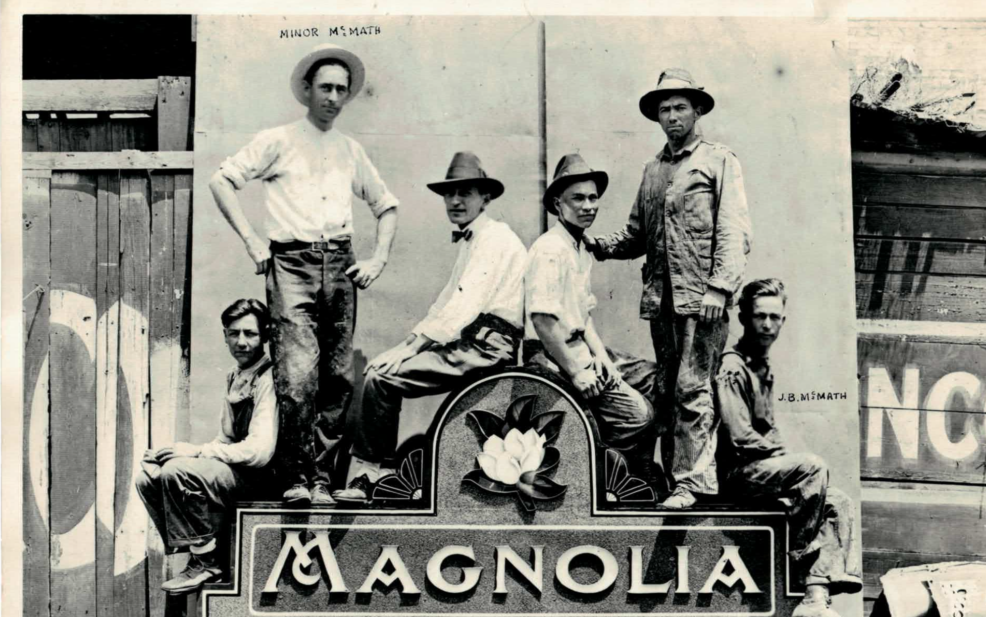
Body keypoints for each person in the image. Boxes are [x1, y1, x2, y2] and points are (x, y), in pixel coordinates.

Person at [209, 43, 399, 506]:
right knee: (296, 375)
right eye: (325, 88)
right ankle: (295, 478)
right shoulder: (278, 140)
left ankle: (323, 481)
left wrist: (377, 259)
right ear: (308, 90)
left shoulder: (350, 150)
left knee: (338, 377)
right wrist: (253, 242)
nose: (333, 97)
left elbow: (387, 205)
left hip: (340, 265)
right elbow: (222, 180)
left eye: (341, 90)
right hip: (291, 264)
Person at [585, 68, 751, 510]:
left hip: (703, 302)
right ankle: (669, 482)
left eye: (680, 107)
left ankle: (692, 485)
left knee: (693, 390)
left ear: (697, 111)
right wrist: (598, 245)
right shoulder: (652, 170)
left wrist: (719, 289)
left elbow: (734, 232)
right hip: (661, 302)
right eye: (664, 109)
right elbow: (636, 234)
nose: (672, 116)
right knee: (667, 389)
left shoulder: (719, 161)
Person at [336, 152, 527, 501]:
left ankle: (368, 475)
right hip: (473, 343)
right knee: (383, 370)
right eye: (449, 194)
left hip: (488, 347)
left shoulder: (495, 238)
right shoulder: (475, 238)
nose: (455, 201)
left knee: (380, 378)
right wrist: (404, 347)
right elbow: (444, 302)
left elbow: (463, 305)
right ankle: (377, 472)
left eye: (465, 193)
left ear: (485, 198)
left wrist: (410, 349)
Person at [715, 278, 862, 617]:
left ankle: (815, 598)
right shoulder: (733, 366)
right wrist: (787, 462)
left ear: (783, 320)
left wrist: (783, 464)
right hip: (737, 474)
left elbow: (767, 432)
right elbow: (739, 436)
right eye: (760, 316)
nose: (768, 325)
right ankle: (803, 559)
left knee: (838, 501)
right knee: (812, 467)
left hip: (761, 474)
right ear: (743, 318)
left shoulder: (761, 365)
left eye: (775, 317)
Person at [524, 153, 657, 473]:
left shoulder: (580, 246)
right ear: (557, 204)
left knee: (655, 379)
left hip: (578, 346)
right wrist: (577, 372)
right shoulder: (550, 249)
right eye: (578, 198)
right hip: (551, 354)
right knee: (638, 416)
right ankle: (604, 476)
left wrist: (603, 359)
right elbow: (542, 321)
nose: (588, 206)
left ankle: (640, 474)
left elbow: (583, 318)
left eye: (593, 198)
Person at [136, 299, 279, 595]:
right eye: (234, 333)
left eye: (250, 334)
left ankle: (206, 562)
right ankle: (197, 550)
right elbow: (225, 440)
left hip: (265, 480)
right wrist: (180, 449)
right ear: (225, 336)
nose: (241, 342)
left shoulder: (269, 378)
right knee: (149, 476)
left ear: (265, 336)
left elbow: (259, 453)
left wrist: (196, 453)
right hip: (239, 473)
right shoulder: (235, 375)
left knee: (178, 472)